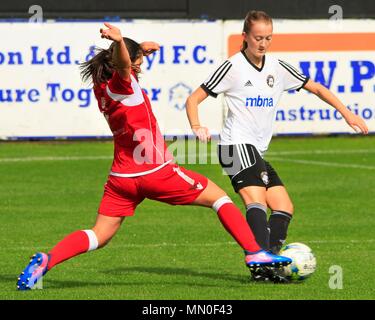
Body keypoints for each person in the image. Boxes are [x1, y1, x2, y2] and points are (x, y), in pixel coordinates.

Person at [16, 23, 293, 290]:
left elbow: (123, 64)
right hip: (153, 170)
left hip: (121, 177)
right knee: (219, 198)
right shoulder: (122, 82)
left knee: (99, 234)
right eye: (139, 63)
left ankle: (48, 260)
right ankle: (255, 252)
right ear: (128, 65)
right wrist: (121, 42)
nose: (140, 67)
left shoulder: (101, 88)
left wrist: (139, 49)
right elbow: (124, 65)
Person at [186, 11, 369, 279]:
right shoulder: (232, 67)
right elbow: (193, 99)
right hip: (234, 147)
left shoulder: (278, 67)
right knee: (256, 200)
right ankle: (260, 264)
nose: (263, 43)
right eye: (258, 37)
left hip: (255, 151)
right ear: (245, 37)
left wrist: (347, 113)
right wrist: (196, 126)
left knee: (284, 206)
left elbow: (316, 88)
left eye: (268, 38)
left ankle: (270, 263)